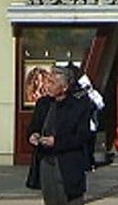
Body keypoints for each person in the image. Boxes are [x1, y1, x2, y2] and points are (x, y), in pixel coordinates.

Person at [27, 68, 91, 205]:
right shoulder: (43, 104)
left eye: (52, 82)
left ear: (64, 87)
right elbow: (34, 126)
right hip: (46, 162)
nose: (47, 85)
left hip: (68, 162)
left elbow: (82, 136)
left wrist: (57, 142)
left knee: (72, 200)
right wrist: (34, 135)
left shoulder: (79, 106)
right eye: (48, 81)